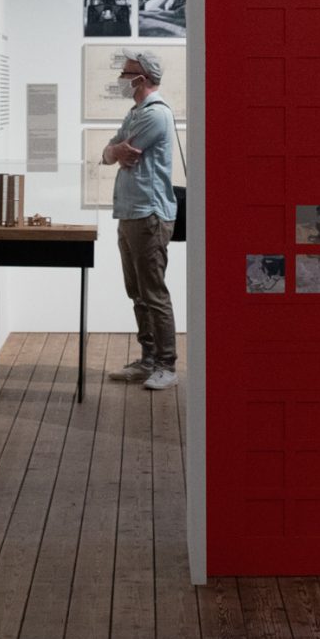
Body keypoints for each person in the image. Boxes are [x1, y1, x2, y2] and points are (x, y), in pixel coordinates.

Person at [101, 50, 179, 391]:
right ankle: (148, 360)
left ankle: (166, 364)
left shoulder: (155, 115)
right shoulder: (135, 112)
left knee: (154, 293)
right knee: (137, 292)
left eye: (127, 73)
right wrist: (115, 151)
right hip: (131, 212)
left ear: (142, 79)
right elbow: (110, 153)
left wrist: (117, 150)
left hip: (148, 213)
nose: (121, 78)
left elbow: (125, 151)